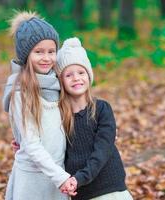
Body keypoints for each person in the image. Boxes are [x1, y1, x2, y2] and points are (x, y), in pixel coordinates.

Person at [3, 11, 76, 200]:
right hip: (33, 181)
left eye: (51, 51)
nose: (46, 58)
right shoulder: (21, 92)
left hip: (58, 174)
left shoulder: (56, 83)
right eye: (38, 52)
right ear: (26, 54)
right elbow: (32, 144)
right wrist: (61, 178)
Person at [57, 37, 133, 200]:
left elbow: (103, 149)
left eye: (81, 72)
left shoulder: (102, 109)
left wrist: (80, 178)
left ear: (89, 75)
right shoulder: (60, 116)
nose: (76, 78)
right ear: (61, 81)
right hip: (81, 192)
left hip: (109, 187)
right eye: (69, 75)